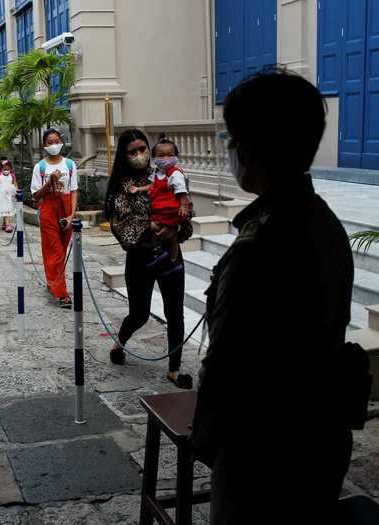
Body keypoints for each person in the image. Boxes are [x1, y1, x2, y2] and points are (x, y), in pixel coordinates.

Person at [191, 70, 355, 525]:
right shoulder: (323, 221)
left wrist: (206, 439)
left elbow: (227, 360)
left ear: (247, 149)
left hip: (263, 448)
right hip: (318, 434)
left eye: (231, 138)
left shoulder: (263, 243)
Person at [104, 129, 192, 388]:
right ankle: (120, 343)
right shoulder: (121, 187)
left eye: (143, 149)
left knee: (175, 313)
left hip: (170, 254)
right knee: (139, 314)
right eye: (133, 151)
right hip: (141, 258)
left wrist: (176, 227)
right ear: (124, 154)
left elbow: (186, 211)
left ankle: (174, 369)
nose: (140, 155)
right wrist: (152, 227)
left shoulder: (169, 175)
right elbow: (122, 226)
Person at [30, 128, 78, 309]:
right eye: (49, 142)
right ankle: (61, 293)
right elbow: (35, 196)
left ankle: (53, 282)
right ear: (44, 145)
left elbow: (74, 191)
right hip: (48, 209)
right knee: (54, 251)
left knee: (62, 250)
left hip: (66, 208)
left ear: (61, 142)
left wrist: (71, 216)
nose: (53, 145)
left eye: (56, 141)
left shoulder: (70, 165)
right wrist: (50, 182)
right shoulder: (40, 167)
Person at [128, 138, 191, 270]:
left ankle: (171, 257)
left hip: (170, 211)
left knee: (170, 237)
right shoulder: (157, 173)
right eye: (161, 156)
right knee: (161, 235)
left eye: (170, 155)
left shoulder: (175, 174)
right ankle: (162, 254)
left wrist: (184, 206)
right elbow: (152, 185)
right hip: (159, 211)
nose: (166, 159)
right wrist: (138, 189)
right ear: (154, 157)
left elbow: (182, 192)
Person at [0, 158, 17, 232]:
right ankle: (8, 224)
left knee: (8, 208)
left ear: (10, 168)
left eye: (8, 169)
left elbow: (15, 183)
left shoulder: (12, 175)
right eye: (4, 169)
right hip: (0, 195)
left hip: (9, 194)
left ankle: (4, 223)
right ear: (1, 168)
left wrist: (16, 191)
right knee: (5, 208)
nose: (6, 170)